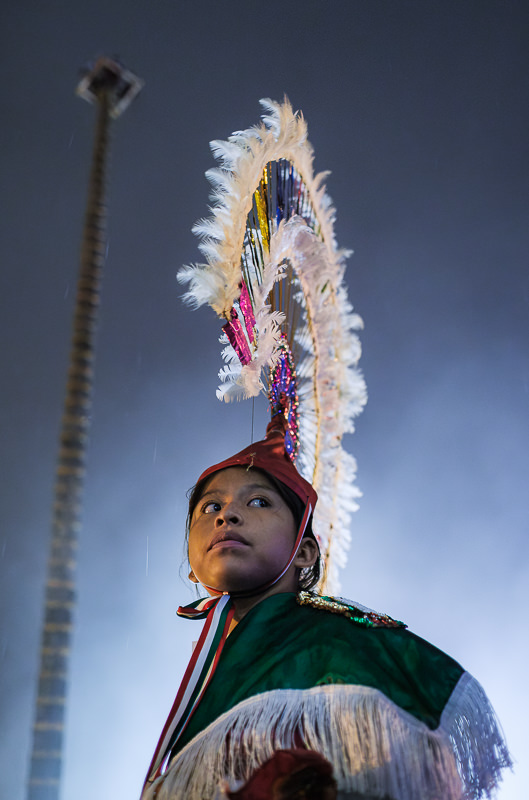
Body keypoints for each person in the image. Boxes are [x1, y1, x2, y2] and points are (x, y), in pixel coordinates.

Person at [140, 416, 511, 800]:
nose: (226, 515)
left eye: (258, 502)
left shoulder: (341, 644)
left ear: (304, 552)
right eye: (210, 507)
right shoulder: (211, 669)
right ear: (192, 562)